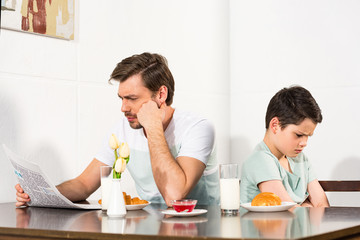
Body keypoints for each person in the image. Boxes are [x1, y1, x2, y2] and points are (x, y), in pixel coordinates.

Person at [15, 52, 220, 207]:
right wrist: (42, 193)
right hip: (149, 228)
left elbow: (174, 196)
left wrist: (154, 127)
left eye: (132, 99)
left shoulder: (198, 128)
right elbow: (84, 184)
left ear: (161, 95)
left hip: (198, 230)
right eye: (121, 98)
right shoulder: (123, 128)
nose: (123, 108)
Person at [240, 86, 329, 207]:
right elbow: (288, 210)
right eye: (299, 135)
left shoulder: (301, 159)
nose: (304, 143)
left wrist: (303, 208)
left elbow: (322, 207)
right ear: (275, 125)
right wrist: (306, 205)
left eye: (308, 136)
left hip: (296, 226)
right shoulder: (260, 159)